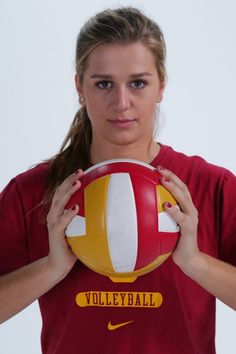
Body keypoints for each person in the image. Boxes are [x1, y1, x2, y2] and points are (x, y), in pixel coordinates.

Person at [0, 6, 235, 354]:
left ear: (161, 87)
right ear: (80, 87)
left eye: (138, 83)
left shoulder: (213, 187)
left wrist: (195, 262)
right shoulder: (32, 192)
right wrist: (52, 266)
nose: (121, 103)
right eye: (104, 84)